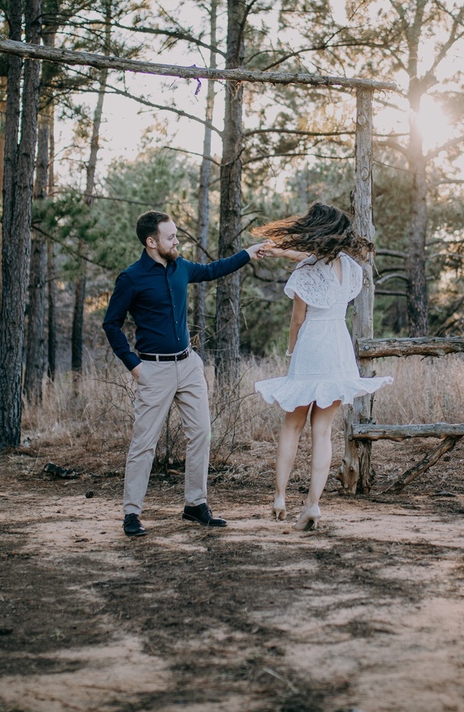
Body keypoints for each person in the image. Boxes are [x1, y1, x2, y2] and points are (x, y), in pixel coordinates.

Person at [103, 210, 273, 537]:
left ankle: (196, 504)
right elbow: (111, 323)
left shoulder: (181, 267)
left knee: (201, 434)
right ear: (151, 242)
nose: (177, 240)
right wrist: (133, 365)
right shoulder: (132, 278)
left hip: (189, 366)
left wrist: (247, 254)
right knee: (144, 443)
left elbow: (212, 270)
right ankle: (132, 513)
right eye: (170, 237)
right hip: (153, 370)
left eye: (176, 235)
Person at [253, 203, 392, 530]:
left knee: (292, 426)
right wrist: (282, 253)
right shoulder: (352, 268)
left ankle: (279, 498)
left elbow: (297, 321)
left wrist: (291, 354)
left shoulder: (305, 273)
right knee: (323, 431)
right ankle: (313, 505)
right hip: (337, 346)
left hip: (311, 345)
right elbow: (322, 264)